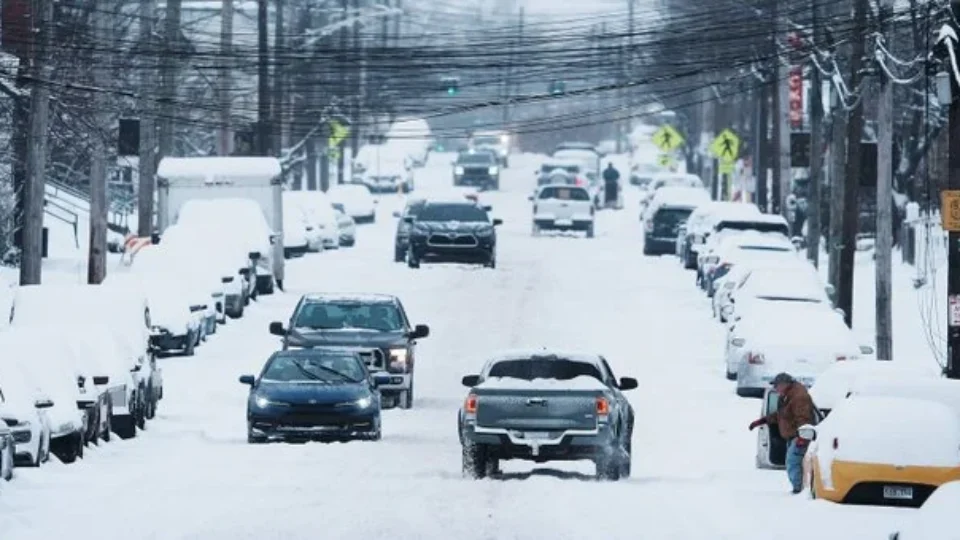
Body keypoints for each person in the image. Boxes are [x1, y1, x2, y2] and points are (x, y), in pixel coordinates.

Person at [748, 372, 815, 494]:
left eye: (776, 385)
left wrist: (803, 437)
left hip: (799, 436)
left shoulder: (799, 397)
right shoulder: (787, 396)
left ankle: (798, 490)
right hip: (792, 436)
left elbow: (803, 418)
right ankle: (798, 488)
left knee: (792, 462)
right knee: (792, 462)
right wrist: (763, 420)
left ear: (784, 384)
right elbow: (781, 415)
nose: (775, 389)